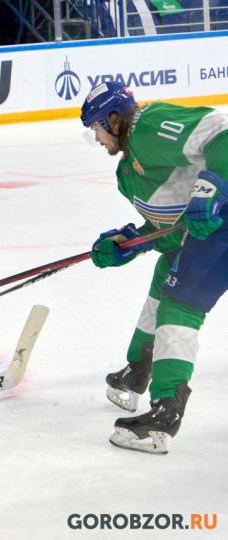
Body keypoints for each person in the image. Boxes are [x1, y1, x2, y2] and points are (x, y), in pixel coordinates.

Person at [80, 82, 228, 454]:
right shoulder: (129, 172)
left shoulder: (148, 123)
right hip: (212, 229)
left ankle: (163, 416)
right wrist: (127, 243)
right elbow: (171, 231)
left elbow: (223, 132)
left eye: (95, 127)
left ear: (113, 118)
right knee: (170, 271)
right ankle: (139, 369)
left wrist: (211, 188)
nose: (95, 138)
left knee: (180, 302)